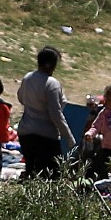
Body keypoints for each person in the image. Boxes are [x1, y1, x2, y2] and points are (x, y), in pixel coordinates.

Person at [17, 47, 76, 179]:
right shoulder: (52, 84)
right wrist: (68, 135)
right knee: (51, 175)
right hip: (45, 135)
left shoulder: (28, 78)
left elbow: (21, 98)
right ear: (52, 64)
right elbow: (55, 113)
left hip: (25, 132)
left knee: (32, 171)